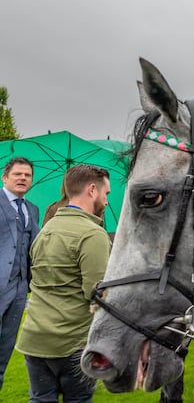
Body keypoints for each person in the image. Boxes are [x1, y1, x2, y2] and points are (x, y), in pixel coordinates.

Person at [15, 164, 111, 402]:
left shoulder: (46, 230)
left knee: (39, 399)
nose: (106, 201)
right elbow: (98, 294)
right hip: (71, 343)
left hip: (35, 337)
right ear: (91, 190)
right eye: (105, 193)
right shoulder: (92, 234)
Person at [0, 157, 40, 391]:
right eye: (18, 174)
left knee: (5, 348)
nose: (23, 178)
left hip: (19, 289)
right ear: (5, 177)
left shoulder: (32, 208)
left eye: (27, 175)